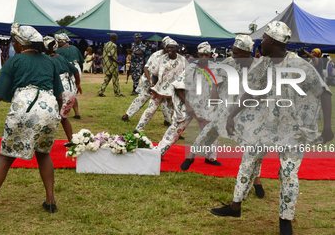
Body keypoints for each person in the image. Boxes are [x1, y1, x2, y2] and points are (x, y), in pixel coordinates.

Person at [210, 21, 334, 235]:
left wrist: (327, 128)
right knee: (248, 162)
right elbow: (252, 91)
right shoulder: (264, 64)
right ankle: (235, 206)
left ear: (274, 42)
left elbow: (324, 92)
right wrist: (232, 114)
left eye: (264, 38)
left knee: (288, 174)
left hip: (294, 131)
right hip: (265, 127)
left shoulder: (301, 66)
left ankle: (285, 219)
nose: (261, 42)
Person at [180, 37, 264, 196]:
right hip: (228, 103)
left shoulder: (259, 67)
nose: (234, 56)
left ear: (247, 53)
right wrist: (214, 93)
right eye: (233, 52)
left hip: (248, 109)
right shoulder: (230, 62)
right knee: (211, 128)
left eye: (237, 53)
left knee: (253, 146)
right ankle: (191, 156)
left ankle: (257, 181)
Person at [0, 23, 64, 213]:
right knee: (43, 153)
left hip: (26, 107)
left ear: (19, 43)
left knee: (6, 156)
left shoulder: (14, 61)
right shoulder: (49, 61)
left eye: (13, 41)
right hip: (49, 109)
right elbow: (59, 95)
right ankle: (50, 201)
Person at [134, 39, 188, 156]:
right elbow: (154, 73)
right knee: (150, 110)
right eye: (168, 47)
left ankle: (176, 133)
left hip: (175, 91)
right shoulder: (161, 59)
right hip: (160, 89)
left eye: (172, 47)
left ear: (177, 48)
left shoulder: (183, 60)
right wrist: (152, 85)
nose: (169, 50)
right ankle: (138, 129)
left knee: (176, 113)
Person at [121, 36, 172, 124]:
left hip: (161, 82)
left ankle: (167, 121)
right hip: (149, 81)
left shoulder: (171, 56)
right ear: (163, 45)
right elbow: (146, 68)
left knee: (163, 100)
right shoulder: (156, 55)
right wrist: (151, 83)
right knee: (142, 98)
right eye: (167, 45)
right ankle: (126, 115)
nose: (169, 48)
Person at [43, 36, 82, 146]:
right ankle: (71, 140)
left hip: (58, 88)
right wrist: (78, 84)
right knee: (63, 117)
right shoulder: (61, 58)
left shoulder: (46, 60)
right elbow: (75, 71)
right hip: (70, 90)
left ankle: (45, 142)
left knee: (49, 116)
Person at [55, 33, 84, 119]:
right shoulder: (74, 48)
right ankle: (77, 113)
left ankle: (60, 112)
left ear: (61, 42)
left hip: (67, 71)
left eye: (57, 41)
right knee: (73, 92)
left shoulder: (58, 50)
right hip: (77, 69)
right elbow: (81, 61)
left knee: (62, 92)